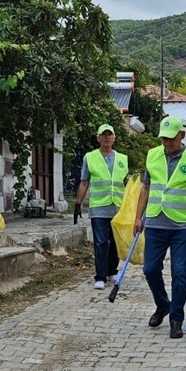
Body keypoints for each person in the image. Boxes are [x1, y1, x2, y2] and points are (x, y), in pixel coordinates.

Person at [133, 116, 186, 339]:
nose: (167, 143)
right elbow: (145, 188)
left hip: (182, 227)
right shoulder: (152, 155)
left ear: (182, 135)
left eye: (170, 138)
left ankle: (176, 318)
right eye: (163, 139)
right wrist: (138, 217)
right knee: (150, 269)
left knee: (180, 273)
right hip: (156, 222)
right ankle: (163, 304)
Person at [74, 123, 128, 289]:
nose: (106, 137)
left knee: (115, 242)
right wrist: (78, 204)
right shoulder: (90, 157)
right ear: (98, 138)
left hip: (117, 208)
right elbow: (84, 182)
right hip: (98, 207)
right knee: (100, 242)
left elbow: (126, 183)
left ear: (114, 138)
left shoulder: (122, 159)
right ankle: (100, 276)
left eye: (109, 134)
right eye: (103, 135)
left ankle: (112, 270)